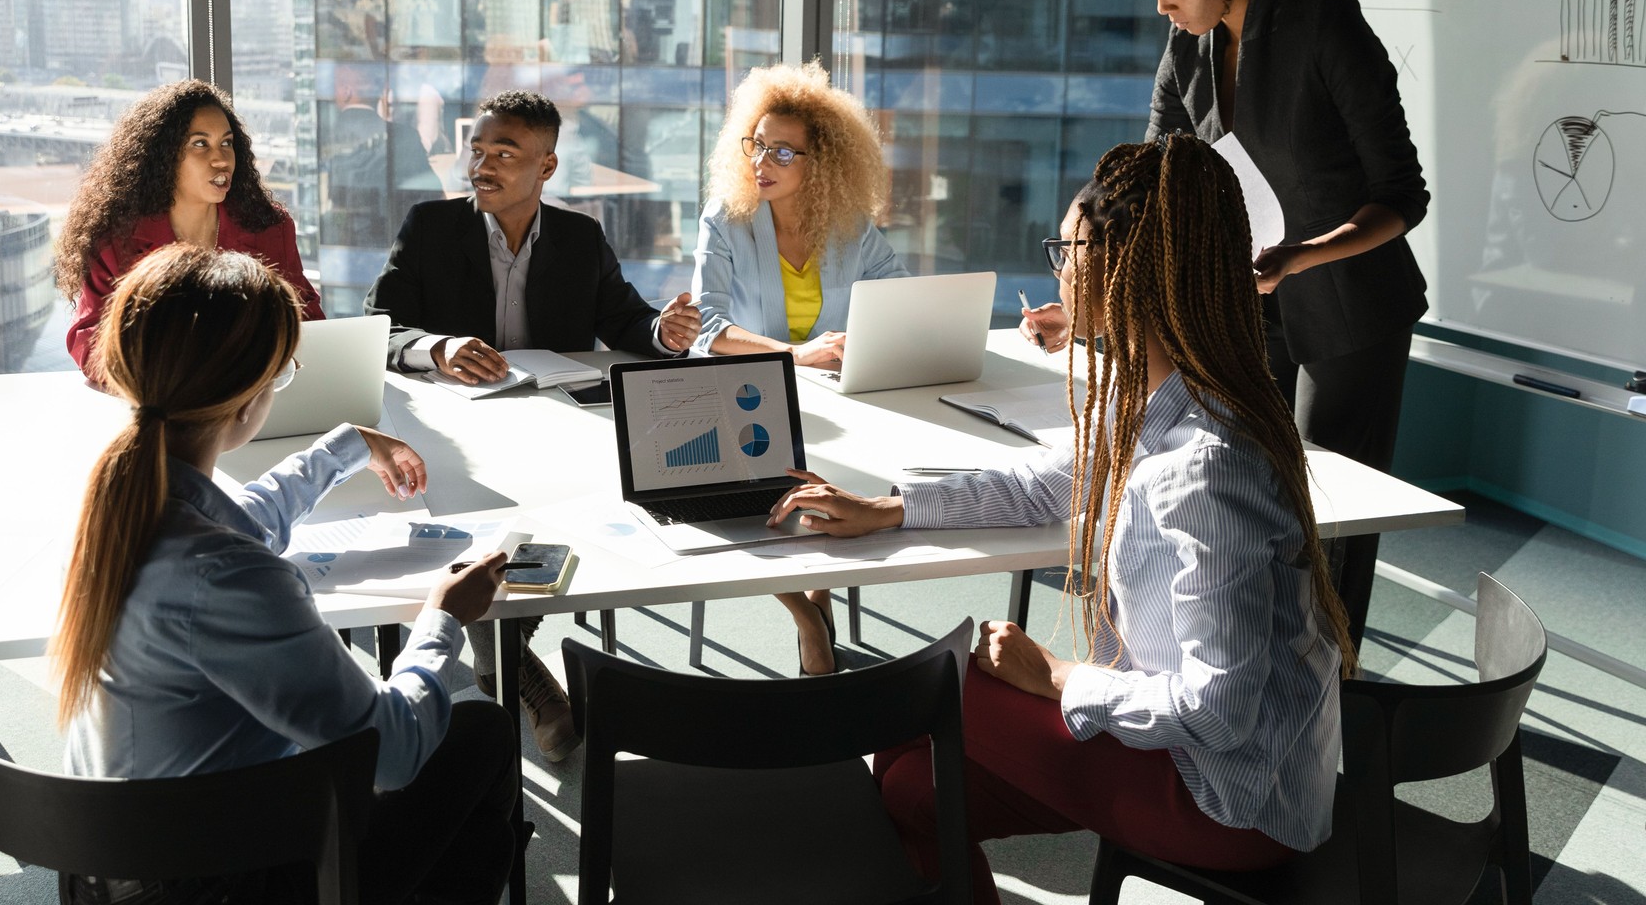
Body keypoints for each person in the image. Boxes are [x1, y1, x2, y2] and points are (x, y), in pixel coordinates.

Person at [767, 136, 1357, 904]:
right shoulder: (1157, 396)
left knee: (928, 698)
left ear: (1122, 265)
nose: (1061, 269)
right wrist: (894, 508)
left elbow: (1217, 712)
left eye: (1067, 248)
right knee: (914, 786)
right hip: (1211, 764)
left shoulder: (1205, 466)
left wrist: (1057, 678)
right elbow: (1047, 484)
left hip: (1231, 802)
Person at [53, 242, 514, 905]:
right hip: (217, 884)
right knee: (481, 733)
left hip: (116, 856)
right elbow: (394, 754)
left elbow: (239, 524)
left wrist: (346, 446)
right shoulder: (223, 575)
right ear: (247, 400)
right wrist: (442, 620)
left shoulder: (125, 502)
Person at [1023, 0, 1429, 478]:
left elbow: (1404, 195)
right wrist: (1086, 301)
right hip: (1243, 309)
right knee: (1246, 488)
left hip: (1351, 309)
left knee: (1336, 510)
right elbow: (1145, 189)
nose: (1162, 6)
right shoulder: (1187, 49)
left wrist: (1303, 255)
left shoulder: (1326, 27)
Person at [366, 89, 699, 760]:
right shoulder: (429, 227)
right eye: (478, 150)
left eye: (504, 153)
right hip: (456, 435)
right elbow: (381, 329)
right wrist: (439, 347)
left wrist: (662, 331)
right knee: (495, 528)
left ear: (545, 168)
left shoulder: (579, 238)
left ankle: (504, 658)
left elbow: (625, 320)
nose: (481, 166)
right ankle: (522, 673)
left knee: (579, 517)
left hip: (551, 428)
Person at [691, 61, 905, 676]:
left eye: (784, 153)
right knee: (754, 494)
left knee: (857, 474)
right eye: (757, 145)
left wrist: (855, 348)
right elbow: (708, 330)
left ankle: (820, 590)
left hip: (834, 403)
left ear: (823, 164)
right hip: (744, 399)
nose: (763, 162)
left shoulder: (850, 229)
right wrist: (795, 355)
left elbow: (896, 303)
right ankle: (807, 611)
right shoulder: (725, 220)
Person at [57, 79, 323, 379]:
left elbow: (308, 322)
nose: (221, 159)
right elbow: (89, 343)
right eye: (200, 144)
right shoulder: (115, 240)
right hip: (164, 403)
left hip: (257, 400)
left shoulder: (270, 228)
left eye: (226, 143)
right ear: (164, 158)